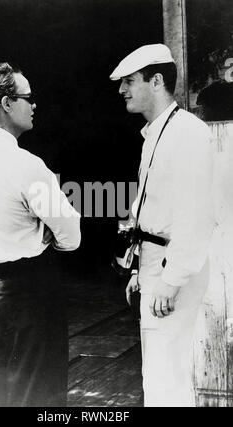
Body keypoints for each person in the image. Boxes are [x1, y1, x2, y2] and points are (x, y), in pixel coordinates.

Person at [0, 63, 81, 407]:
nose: (33, 105)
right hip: (30, 291)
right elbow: (71, 234)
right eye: (27, 97)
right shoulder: (25, 164)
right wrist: (47, 235)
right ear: (7, 104)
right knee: (41, 393)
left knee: (4, 391)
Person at [110, 44, 215, 407]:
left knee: (166, 380)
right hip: (158, 266)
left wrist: (170, 281)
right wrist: (140, 268)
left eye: (129, 82)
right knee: (157, 375)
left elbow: (197, 216)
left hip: (174, 272)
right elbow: (154, 213)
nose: (122, 90)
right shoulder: (159, 133)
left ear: (156, 81)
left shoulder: (187, 133)